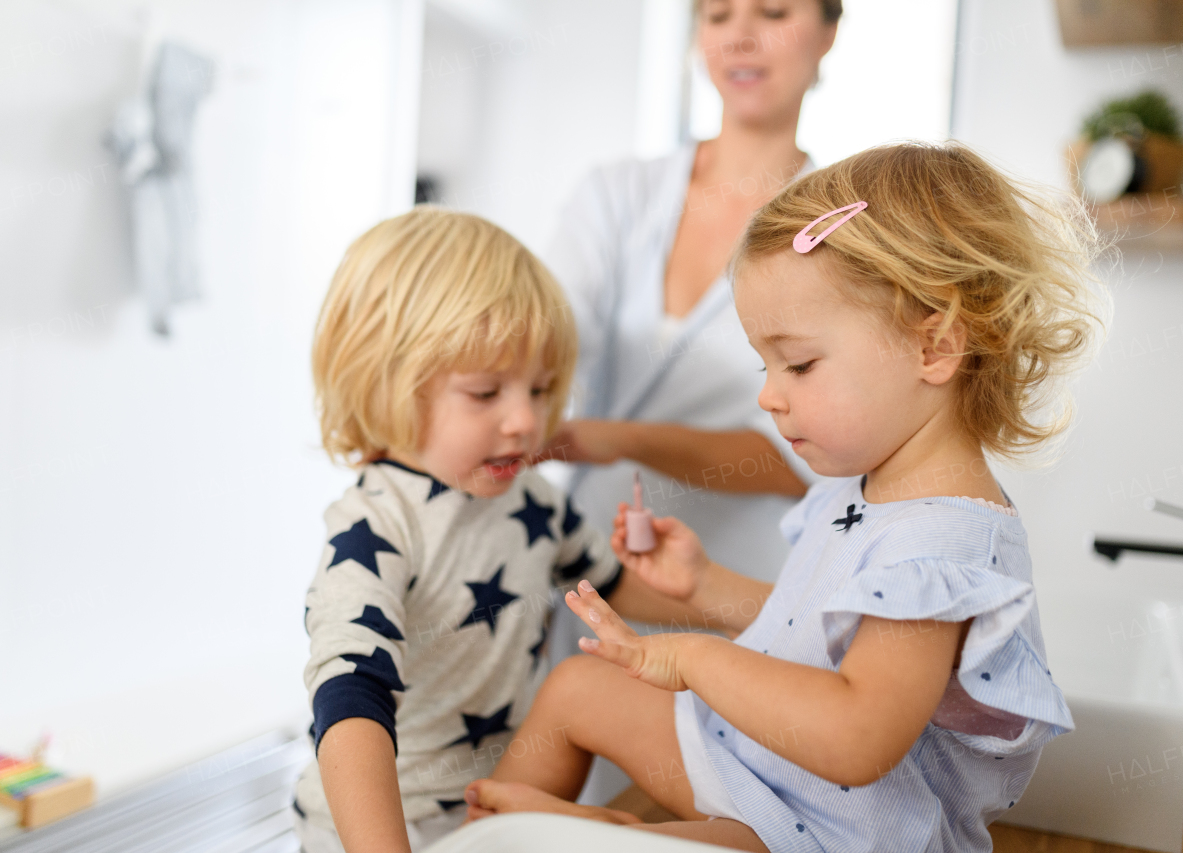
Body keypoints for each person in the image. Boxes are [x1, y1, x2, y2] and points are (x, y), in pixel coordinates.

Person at [463, 141, 1109, 852]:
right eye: (764, 363)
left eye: (798, 363)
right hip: (778, 780)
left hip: (850, 836)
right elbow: (814, 632)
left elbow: (856, 735)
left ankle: (608, 832)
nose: (769, 396)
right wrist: (704, 587)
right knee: (577, 690)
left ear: (935, 348)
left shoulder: (942, 546)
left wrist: (694, 659)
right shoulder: (864, 485)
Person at [293, 207, 728, 853]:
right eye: (486, 392)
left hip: (491, 810)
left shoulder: (530, 498)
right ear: (384, 382)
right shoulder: (375, 526)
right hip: (373, 833)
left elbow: (609, 587)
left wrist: (752, 614)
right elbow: (350, 696)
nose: (528, 420)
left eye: (542, 388)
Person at [540, 0, 844, 582]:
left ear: (828, 32)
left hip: (740, 581)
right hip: (588, 566)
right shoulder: (616, 194)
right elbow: (549, 330)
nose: (740, 37)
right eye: (718, 15)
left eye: (774, 13)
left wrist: (619, 439)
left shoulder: (839, 233)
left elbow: (795, 456)